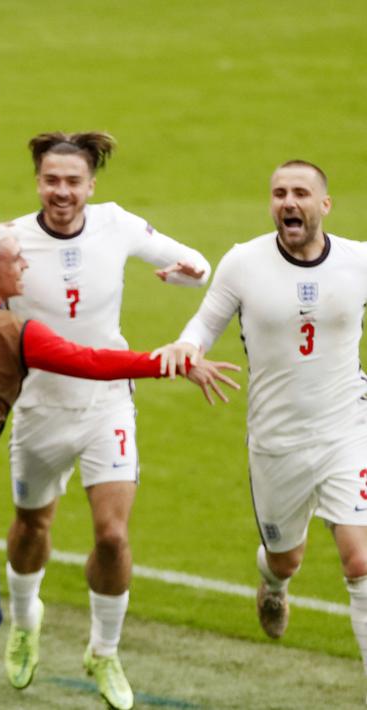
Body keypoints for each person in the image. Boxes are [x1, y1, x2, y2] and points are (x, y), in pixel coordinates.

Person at [0, 223, 237, 708]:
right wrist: (166, 362)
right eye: (16, 258)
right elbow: (90, 361)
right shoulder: (16, 333)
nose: (26, 264)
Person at [0, 131, 211, 707]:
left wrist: (185, 274)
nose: (61, 191)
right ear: (38, 181)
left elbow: (199, 267)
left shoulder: (117, 224)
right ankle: (25, 621)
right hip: (39, 408)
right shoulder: (10, 239)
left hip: (106, 403)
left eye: (73, 181)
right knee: (31, 526)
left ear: (90, 185)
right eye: (51, 180)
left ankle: (104, 650)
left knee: (113, 536)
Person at [155, 161, 367, 704]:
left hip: (348, 430)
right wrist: (187, 348)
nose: (288, 201)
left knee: (361, 563)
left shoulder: (357, 260)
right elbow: (205, 324)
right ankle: (273, 585)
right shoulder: (244, 263)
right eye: (279, 193)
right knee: (285, 557)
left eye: (300, 193)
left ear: (325, 205)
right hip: (277, 444)